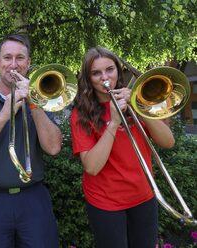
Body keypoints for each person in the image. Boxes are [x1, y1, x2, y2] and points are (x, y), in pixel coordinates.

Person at [0, 33, 62, 248]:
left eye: (20, 58)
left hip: (33, 199)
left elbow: (53, 148)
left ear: (29, 63)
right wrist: (5, 113)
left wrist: (33, 103)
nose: (13, 65)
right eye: (7, 58)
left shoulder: (41, 98)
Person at [70, 47, 175, 248]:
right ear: (88, 78)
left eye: (109, 69)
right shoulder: (81, 113)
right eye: (96, 73)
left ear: (118, 71)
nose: (104, 77)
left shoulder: (138, 101)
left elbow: (168, 142)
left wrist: (138, 107)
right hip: (105, 203)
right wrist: (114, 122)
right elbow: (92, 167)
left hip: (144, 196)